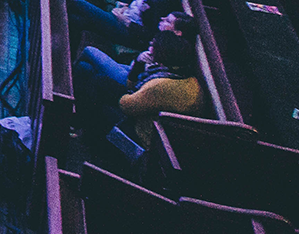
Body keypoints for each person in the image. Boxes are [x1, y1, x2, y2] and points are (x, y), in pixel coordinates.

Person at [76, 13, 204, 139]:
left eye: (152, 47)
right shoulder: (177, 71)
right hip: (144, 111)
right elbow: (133, 87)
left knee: (98, 86)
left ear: (159, 55)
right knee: (86, 70)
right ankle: (76, 118)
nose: (149, 50)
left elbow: (127, 106)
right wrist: (138, 64)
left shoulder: (159, 84)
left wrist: (118, 89)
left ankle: (80, 127)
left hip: (143, 135)